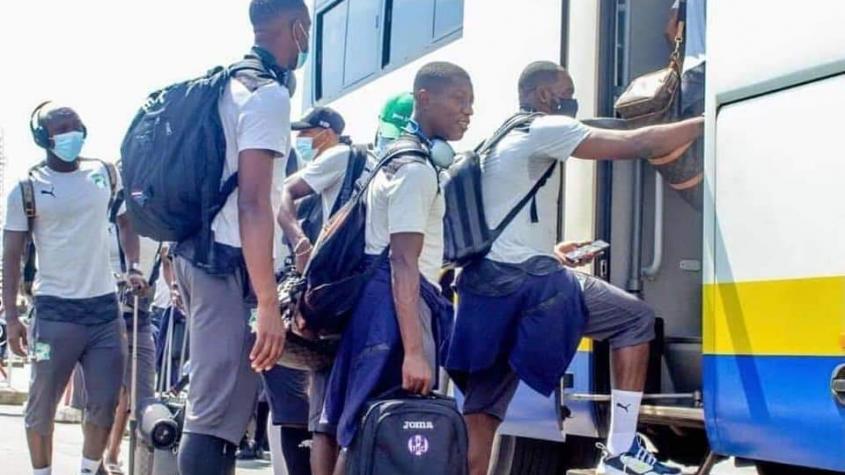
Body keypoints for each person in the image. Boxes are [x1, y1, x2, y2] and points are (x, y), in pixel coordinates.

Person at [443, 61, 704, 475]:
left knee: (483, 414)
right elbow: (639, 142)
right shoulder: (545, 127)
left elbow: (500, 225)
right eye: (568, 92)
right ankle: (620, 452)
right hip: (529, 283)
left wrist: (552, 251)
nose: (572, 100)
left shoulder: (500, 137)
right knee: (634, 319)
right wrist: (711, 119)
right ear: (546, 95)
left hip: (484, 287)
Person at [168, 1, 310, 474]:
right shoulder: (266, 95)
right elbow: (253, 203)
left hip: (203, 257)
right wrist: (268, 301)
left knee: (225, 416)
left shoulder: (224, 85)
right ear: (297, 28)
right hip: (225, 264)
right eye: (308, 31)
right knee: (213, 417)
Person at [321, 61, 474, 473]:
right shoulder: (416, 170)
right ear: (424, 98)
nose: (468, 111)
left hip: (376, 306)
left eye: (471, 102)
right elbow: (403, 262)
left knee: (356, 425)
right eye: (459, 99)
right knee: (376, 428)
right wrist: (414, 352)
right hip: (397, 312)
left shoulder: (392, 158)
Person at [2, 102, 148, 475]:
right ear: (43, 137)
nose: (72, 133)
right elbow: (12, 256)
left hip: (104, 312)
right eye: (62, 127)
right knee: (41, 406)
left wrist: (133, 267)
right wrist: (12, 317)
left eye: (76, 124)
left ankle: (88, 469)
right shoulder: (27, 189)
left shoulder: (104, 173)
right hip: (54, 313)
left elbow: (126, 222)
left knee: (105, 402)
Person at [278, 96, 411, 475]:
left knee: (363, 411)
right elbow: (282, 193)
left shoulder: (408, 167)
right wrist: (299, 242)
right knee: (327, 414)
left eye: (306, 132)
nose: (302, 140)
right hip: (336, 295)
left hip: (379, 294)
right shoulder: (345, 158)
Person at [666, 0, 706, 117]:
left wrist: (681, 61)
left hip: (694, 67)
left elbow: (670, 31)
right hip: (727, 68)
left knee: (690, 123)